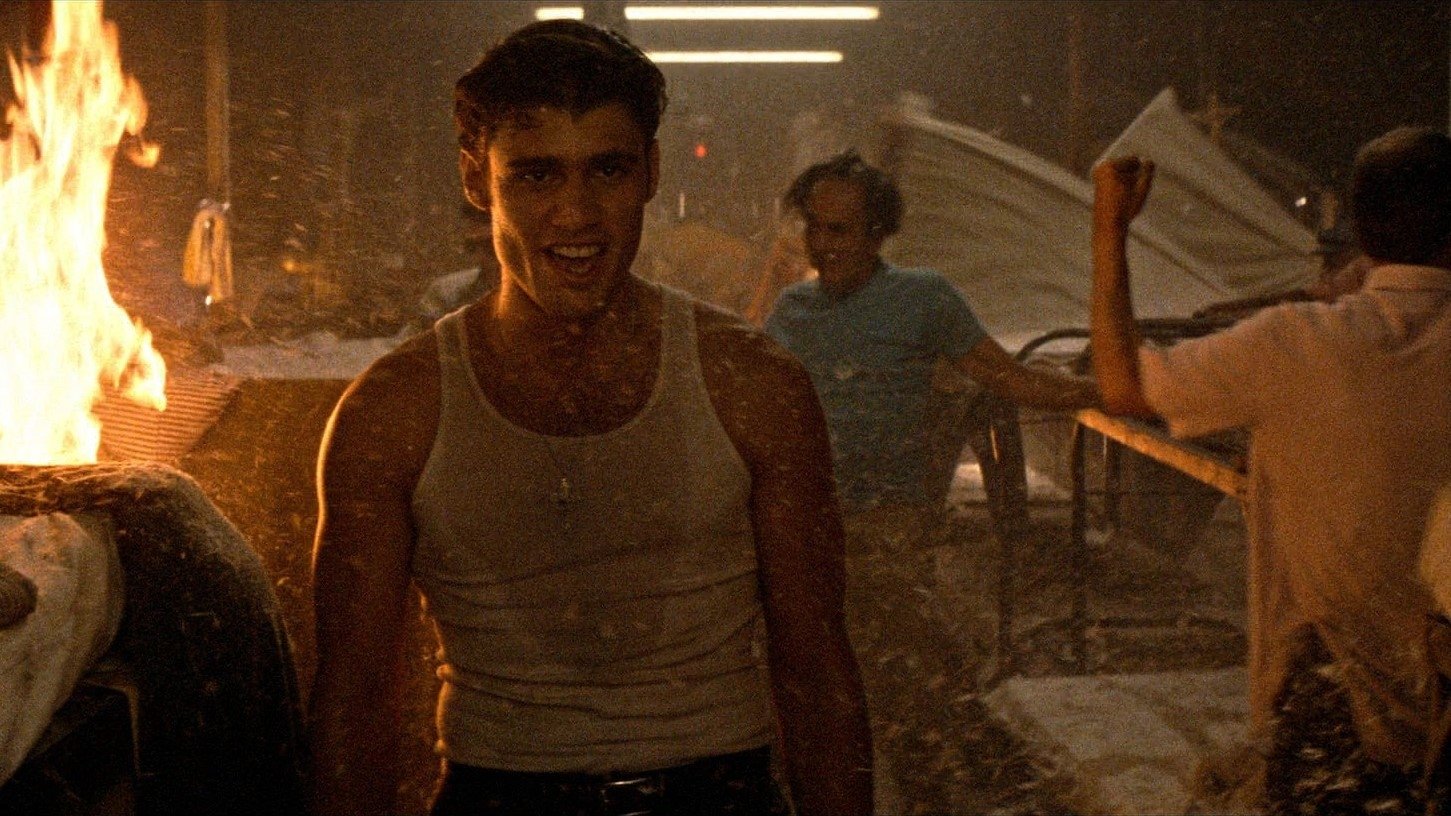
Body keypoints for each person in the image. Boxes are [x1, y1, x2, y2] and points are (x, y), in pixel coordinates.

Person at [306, 20, 871, 816]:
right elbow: (354, 699)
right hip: (497, 799)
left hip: (718, 795)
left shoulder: (750, 384)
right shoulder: (395, 411)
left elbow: (816, 669)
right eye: (535, 176)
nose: (576, 215)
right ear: (476, 179)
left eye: (607, 170)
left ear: (650, 173)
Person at [1089, 127, 1451, 814]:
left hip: (1335, 698)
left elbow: (1123, 382)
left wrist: (1109, 230)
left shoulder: (1294, 343)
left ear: (1360, 232)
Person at [763, 151, 1099, 523]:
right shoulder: (792, 309)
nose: (821, 244)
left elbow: (1009, 378)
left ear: (876, 236)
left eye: (838, 230)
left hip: (889, 520)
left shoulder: (922, 298)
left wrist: (1112, 395)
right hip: (802, 516)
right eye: (813, 228)